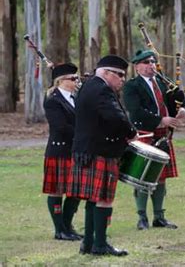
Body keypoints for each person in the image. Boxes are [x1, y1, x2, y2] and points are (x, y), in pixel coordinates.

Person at [67, 55, 137, 256]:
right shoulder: (102, 89)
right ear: (106, 72)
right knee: (104, 198)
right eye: (120, 75)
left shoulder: (88, 87)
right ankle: (100, 245)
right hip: (101, 151)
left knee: (92, 198)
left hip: (87, 150)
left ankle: (88, 244)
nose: (122, 79)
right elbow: (116, 116)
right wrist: (131, 133)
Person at [123, 50, 185, 230]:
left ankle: (159, 217)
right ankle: (142, 217)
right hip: (145, 134)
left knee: (161, 178)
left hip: (164, 136)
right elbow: (135, 110)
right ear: (137, 66)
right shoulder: (132, 86)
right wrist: (161, 120)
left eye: (153, 61)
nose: (151, 65)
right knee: (143, 177)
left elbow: (184, 97)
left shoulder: (163, 82)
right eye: (146, 62)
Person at [43, 63, 82, 241]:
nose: (76, 81)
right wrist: (84, 134)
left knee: (76, 190)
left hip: (75, 150)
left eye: (77, 78)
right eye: (73, 78)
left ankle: (67, 226)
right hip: (60, 150)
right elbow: (60, 127)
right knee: (57, 190)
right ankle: (59, 230)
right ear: (61, 81)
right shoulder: (53, 100)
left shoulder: (76, 98)